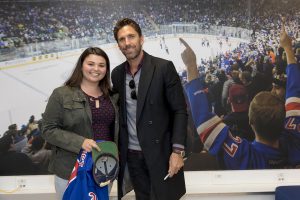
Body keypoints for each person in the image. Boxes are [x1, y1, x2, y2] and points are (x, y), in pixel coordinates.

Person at [180, 36, 288, 169]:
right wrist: (289, 51)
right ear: (285, 122)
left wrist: (191, 66)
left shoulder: (244, 155)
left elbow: (203, 121)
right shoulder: (293, 143)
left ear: (251, 122)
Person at [111, 18, 187, 200]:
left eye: (131, 36)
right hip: (133, 157)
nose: (127, 42)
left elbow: (180, 111)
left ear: (141, 39)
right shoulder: (117, 74)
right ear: (118, 45)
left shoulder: (163, 68)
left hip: (161, 154)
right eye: (122, 39)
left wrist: (177, 152)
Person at [42, 47, 119, 199]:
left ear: (106, 69)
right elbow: (48, 129)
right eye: (91, 64)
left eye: (101, 65)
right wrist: (80, 142)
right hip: (71, 170)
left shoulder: (112, 96)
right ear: (81, 65)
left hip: (103, 169)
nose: (96, 69)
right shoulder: (61, 94)